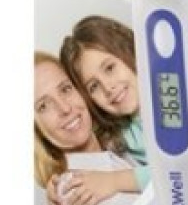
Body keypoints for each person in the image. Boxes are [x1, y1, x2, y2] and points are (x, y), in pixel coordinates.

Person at [33, 52, 143, 205]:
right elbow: (173, 199)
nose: (65, 108)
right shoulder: (75, 191)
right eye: (43, 106)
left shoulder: (112, 138)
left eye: (65, 89)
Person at [60, 16, 149, 191]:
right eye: (93, 86)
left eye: (109, 68)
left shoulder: (174, 92)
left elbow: (177, 171)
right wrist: (59, 183)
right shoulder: (120, 135)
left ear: (130, 50)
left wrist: (114, 181)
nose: (108, 88)